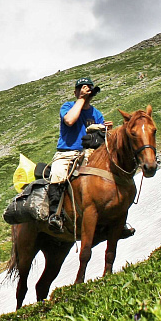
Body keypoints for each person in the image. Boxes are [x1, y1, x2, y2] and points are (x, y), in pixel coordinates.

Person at [47, 77, 112, 233]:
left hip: (91, 153)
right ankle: (54, 215)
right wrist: (81, 100)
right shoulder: (68, 106)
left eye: (88, 88)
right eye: (81, 88)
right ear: (76, 92)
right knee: (58, 174)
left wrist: (105, 129)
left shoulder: (96, 113)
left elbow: (101, 139)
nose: (85, 90)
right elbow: (70, 120)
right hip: (67, 152)